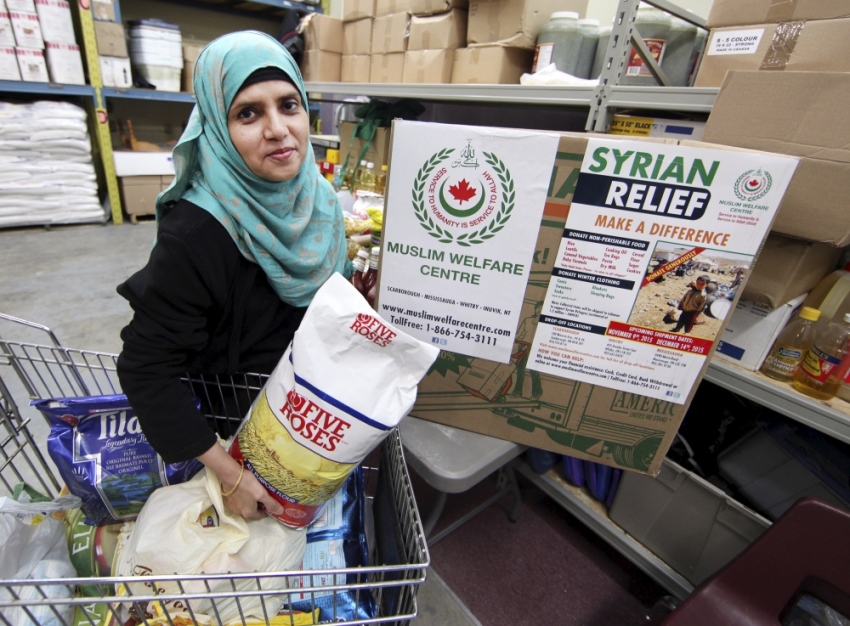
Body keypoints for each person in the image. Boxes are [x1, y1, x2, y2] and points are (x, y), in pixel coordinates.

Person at [116, 31, 350, 520]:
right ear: (216, 128)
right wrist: (231, 473)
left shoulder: (319, 199)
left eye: (289, 105)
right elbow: (146, 368)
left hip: (305, 414)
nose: (278, 129)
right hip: (233, 423)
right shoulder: (197, 234)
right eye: (248, 113)